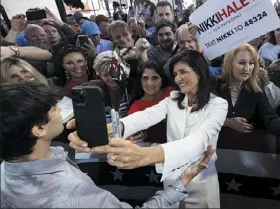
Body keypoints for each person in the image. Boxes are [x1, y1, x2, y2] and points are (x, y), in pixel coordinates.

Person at [0, 81, 215, 208]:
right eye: (53, 107)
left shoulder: (4, 171)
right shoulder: (75, 195)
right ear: (39, 129)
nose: (60, 109)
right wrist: (182, 181)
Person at [68, 50, 228, 208]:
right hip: (172, 179)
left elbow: (199, 140)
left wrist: (145, 156)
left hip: (201, 180)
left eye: (183, 72)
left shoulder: (219, 104)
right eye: (175, 73)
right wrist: (104, 130)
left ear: (199, 72)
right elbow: (143, 117)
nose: (178, 78)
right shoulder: (172, 99)